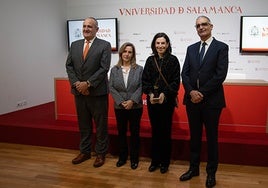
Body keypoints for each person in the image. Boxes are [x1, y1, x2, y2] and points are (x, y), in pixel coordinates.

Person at [179, 16, 229, 188]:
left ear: (211, 26)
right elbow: (184, 74)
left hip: (211, 101)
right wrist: (191, 91)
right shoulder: (191, 48)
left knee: (212, 138)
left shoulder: (221, 47)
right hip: (192, 101)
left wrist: (201, 93)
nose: (201, 27)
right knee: (195, 137)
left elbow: (220, 75)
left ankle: (211, 173)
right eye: (198, 25)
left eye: (204, 24)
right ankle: (194, 169)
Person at [66, 17, 111, 168]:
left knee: (100, 125)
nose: (86, 29)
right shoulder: (75, 45)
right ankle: (85, 152)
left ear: (96, 29)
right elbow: (69, 66)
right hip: (79, 92)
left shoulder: (104, 45)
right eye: (84, 26)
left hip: (97, 93)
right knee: (83, 124)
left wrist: (88, 84)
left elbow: (104, 68)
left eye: (90, 26)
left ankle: (100, 153)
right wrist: (77, 84)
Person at [142, 32, 180, 174]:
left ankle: (165, 162)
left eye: (163, 43)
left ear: (168, 44)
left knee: (165, 132)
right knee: (155, 131)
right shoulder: (150, 60)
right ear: (154, 45)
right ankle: (155, 161)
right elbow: (145, 81)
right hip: (152, 101)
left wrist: (164, 93)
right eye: (157, 43)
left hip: (167, 101)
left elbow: (176, 82)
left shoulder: (174, 60)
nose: (160, 46)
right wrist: (150, 93)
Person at [109, 42, 143, 170]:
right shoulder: (114, 69)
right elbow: (111, 86)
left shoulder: (139, 69)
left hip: (135, 107)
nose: (127, 54)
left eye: (130, 52)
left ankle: (134, 158)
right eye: (125, 51)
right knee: (121, 133)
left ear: (133, 54)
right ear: (121, 53)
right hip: (120, 107)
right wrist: (121, 101)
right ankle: (122, 157)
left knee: (135, 133)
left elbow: (141, 86)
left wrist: (132, 101)